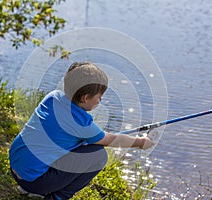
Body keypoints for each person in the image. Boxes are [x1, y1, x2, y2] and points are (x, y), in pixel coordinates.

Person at [9, 62, 154, 200]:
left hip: (15, 167)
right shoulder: (81, 124)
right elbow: (110, 140)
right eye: (99, 97)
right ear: (85, 98)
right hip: (34, 181)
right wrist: (140, 142)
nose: (100, 100)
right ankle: (57, 197)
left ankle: (29, 187)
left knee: (78, 145)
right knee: (98, 155)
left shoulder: (52, 97)